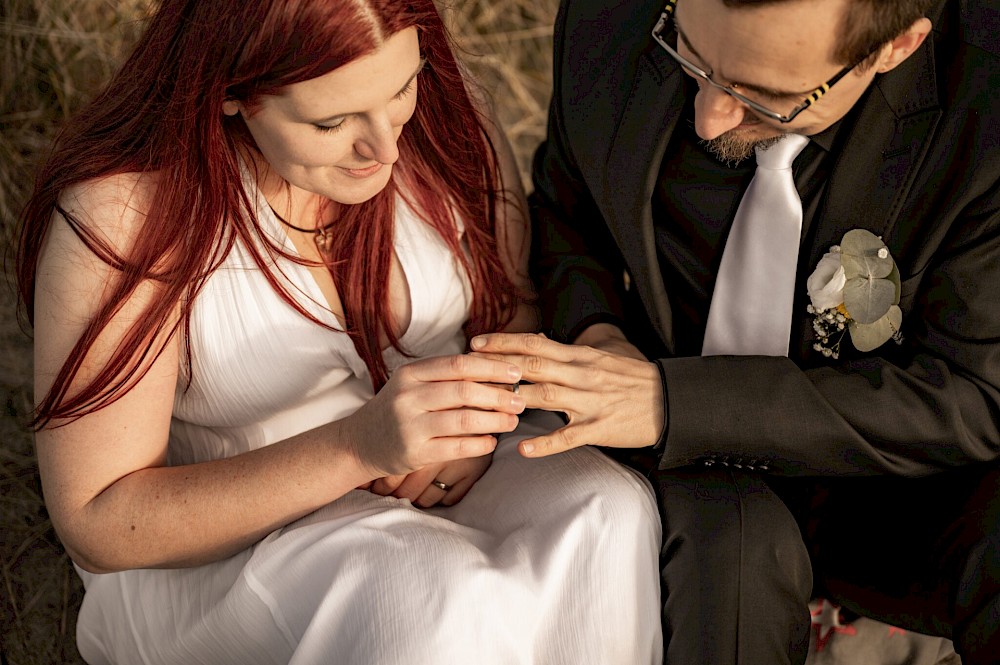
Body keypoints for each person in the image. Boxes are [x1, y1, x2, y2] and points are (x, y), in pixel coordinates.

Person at [14, 1, 663, 663]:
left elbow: (509, 312)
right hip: (235, 538)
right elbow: (100, 519)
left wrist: (479, 418)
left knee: (608, 511)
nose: (384, 146)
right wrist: (360, 447)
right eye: (331, 121)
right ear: (231, 93)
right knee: (427, 596)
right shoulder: (128, 214)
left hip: (446, 470)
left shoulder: (443, 113)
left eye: (401, 88)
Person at [470, 0, 1000, 663]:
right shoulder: (615, 16)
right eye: (690, 57)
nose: (709, 115)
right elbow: (568, 211)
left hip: (904, 482)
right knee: (729, 571)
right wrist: (598, 334)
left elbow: (971, 392)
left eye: (765, 98)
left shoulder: (986, 102)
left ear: (895, 48)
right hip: (696, 473)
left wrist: (672, 401)